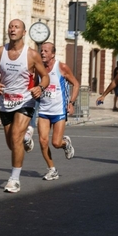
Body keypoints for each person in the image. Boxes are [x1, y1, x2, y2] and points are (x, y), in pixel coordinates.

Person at [0, 19, 49, 193]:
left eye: (16, 27)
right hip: (6, 102)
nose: (12, 29)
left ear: (24, 33)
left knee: (15, 137)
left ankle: (14, 179)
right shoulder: (1, 51)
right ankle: (26, 137)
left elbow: (45, 76)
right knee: (12, 143)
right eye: (10, 26)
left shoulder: (31, 55)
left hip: (25, 100)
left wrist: (40, 87)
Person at [37, 42, 80, 181]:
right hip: (44, 110)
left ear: (53, 54)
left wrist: (71, 102)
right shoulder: (38, 68)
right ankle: (52, 169)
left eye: (46, 51)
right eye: (41, 50)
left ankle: (65, 143)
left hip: (59, 110)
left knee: (56, 143)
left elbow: (76, 84)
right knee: (43, 141)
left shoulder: (61, 67)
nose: (43, 53)